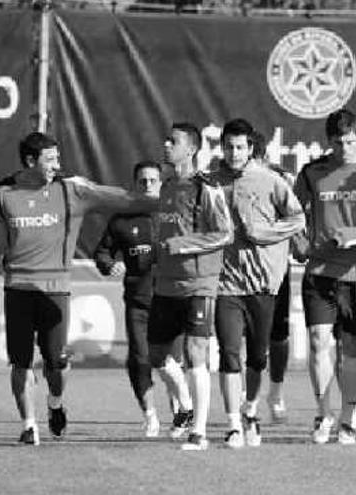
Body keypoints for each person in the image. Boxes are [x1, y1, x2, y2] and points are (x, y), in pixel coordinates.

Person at [0, 132, 159, 445]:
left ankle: (55, 403)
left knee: (56, 361)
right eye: (51, 160)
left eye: (58, 158)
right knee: (20, 362)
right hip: (17, 287)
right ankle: (29, 425)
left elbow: (123, 198)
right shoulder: (2, 191)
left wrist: (170, 199)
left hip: (56, 289)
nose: (57, 165)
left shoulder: (71, 189)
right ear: (30, 161)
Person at [293, 109, 356, 445]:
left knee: (351, 349)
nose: (344, 148)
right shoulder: (311, 173)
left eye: (350, 141)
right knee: (319, 342)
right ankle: (324, 414)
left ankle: (348, 417)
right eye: (337, 142)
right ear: (328, 141)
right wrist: (301, 243)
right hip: (320, 272)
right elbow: (293, 214)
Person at [210, 119, 304, 449]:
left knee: (258, 358)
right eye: (229, 146)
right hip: (225, 284)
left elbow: (297, 218)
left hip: (264, 285)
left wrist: (266, 235)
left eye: (240, 147)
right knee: (229, 353)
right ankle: (233, 424)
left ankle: (251, 408)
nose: (234, 153)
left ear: (251, 149)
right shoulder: (210, 183)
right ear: (221, 147)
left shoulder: (270, 180)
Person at [149, 122, 233, 451]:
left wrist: (183, 244)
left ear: (192, 149)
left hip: (200, 283)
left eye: (174, 141)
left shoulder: (206, 187)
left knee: (196, 353)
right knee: (156, 355)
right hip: (166, 284)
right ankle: (184, 403)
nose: (166, 144)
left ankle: (199, 431)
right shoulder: (167, 187)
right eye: (167, 138)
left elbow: (225, 233)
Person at [93, 160, 180, 437]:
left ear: (162, 184)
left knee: (171, 363)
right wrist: (109, 265)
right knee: (140, 358)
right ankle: (151, 416)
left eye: (153, 180)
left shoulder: (174, 214)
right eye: (142, 181)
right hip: (138, 303)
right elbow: (102, 253)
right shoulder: (122, 220)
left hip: (171, 300)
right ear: (135, 184)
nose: (148, 185)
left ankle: (181, 414)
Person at [251, 130, 295, 424]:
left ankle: (276, 393)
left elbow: (297, 217)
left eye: (252, 157)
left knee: (278, 335)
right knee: (244, 338)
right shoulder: (226, 180)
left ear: (262, 157)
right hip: (238, 270)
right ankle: (248, 401)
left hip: (276, 269)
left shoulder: (283, 180)